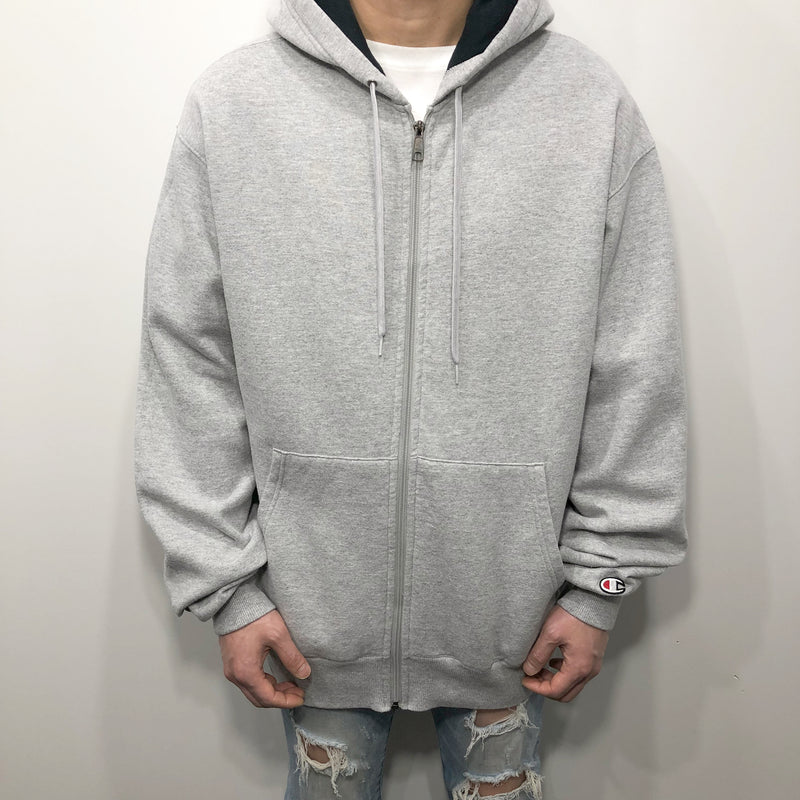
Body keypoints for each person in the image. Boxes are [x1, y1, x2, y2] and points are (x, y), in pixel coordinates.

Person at [133, 0, 689, 797]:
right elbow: (188, 353)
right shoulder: (236, 103)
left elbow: (634, 352)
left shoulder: (586, 101)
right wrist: (226, 587)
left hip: (517, 618)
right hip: (306, 622)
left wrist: (601, 584)